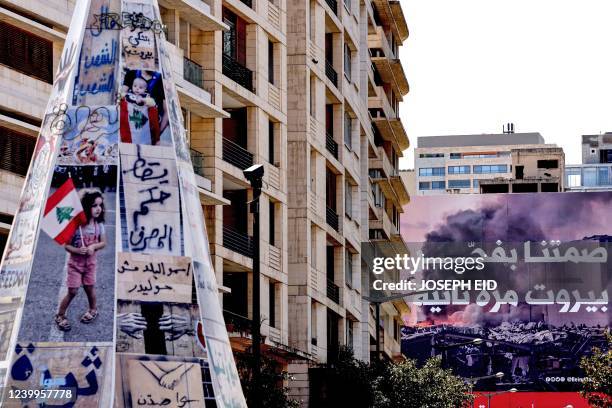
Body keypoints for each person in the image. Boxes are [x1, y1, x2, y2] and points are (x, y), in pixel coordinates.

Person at [55, 189, 106, 331]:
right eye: (94, 205)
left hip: (90, 265)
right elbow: (67, 246)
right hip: (75, 265)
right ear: (86, 207)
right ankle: (60, 315)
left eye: (100, 206)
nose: (98, 209)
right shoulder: (76, 226)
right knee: (73, 291)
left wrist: (94, 246)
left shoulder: (99, 226)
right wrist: (77, 250)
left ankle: (93, 309)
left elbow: (103, 243)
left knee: (90, 288)